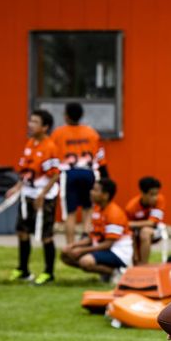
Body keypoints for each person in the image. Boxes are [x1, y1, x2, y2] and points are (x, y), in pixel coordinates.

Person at [6, 109, 61, 285]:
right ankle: (23, 269)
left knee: (46, 234)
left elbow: (54, 175)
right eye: (30, 121)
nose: (30, 124)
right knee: (22, 231)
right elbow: (26, 172)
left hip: (44, 196)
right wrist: (16, 187)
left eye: (35, 122)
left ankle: (48, 273)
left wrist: (42, 195)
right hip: (27, 194)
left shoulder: (50, 147)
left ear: (45, 127)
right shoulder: (30, 143)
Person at [52, 102, 108, 247]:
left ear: (66, 115)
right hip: (88, 172)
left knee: (70, 212)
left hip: (68, 173)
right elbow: (100, 157)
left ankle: (70, 245)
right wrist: (105, 176)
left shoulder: (58, 133)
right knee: (88, 208)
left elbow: (53, 156)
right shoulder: (91, 132)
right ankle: (85, 237)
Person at [61, 177, 132, 280]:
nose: (91, 192)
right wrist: (72, 245)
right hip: (104, 248)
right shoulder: (97, 209)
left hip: (118, 252)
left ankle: (117, 272)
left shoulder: (114, 213)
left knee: (85, 261)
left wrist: (82, 250)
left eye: (95, 190)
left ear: (105, 195)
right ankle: (106, 271)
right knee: (66, 254)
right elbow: (93, 237)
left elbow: (108, 244)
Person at [124, 176, 165, 265]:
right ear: (142, 193)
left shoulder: (160, 200)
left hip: (156, 231)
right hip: (135, 234)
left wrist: (132, 224)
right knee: (130, 236)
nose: (155, 197)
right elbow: (127, 228)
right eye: (151, 194)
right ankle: (134, 263)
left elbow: (152, 223)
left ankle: (144, 266)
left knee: (145, 232)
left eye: (156, 194)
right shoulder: (131, 207)